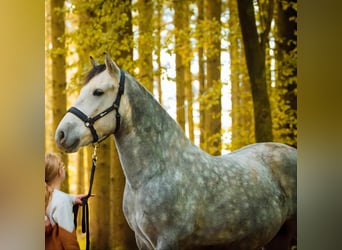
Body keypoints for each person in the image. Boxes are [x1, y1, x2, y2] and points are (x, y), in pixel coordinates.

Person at [45, 152, 89, 250]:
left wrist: (72, 198)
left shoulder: (46, 196)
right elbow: (69, 240)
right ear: (60, 172)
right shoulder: (62, 201)